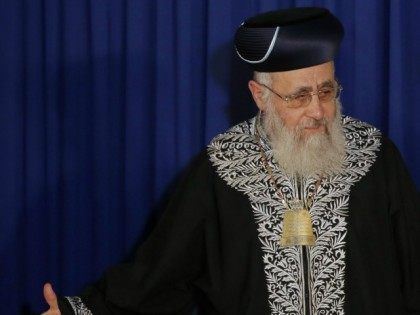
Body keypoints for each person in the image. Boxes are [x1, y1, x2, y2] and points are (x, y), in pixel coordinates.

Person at [42, 7, 420, 315]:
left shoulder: (373, 154)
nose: (319, 110)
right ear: (260, 95)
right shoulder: (222, 165)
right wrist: (82, 310)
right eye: (299, 97)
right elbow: (162, 274)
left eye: (326, 90)